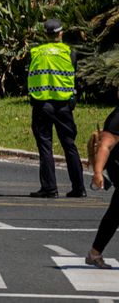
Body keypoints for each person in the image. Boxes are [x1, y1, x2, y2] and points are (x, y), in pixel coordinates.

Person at [29, 17, 85, 198]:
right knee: (69, 146)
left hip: (42, 104)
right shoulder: (70, 53)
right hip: (63, 106)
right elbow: (74, 76)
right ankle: (79, 188)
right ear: (61, 33)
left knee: (45, 146)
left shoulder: (36, 52)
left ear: (45, 34)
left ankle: (49, 188)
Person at [84, 99, 119, 268]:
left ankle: (94, 253)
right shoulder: (117, 119)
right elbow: (105, 146)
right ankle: (94, 253)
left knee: (116, 212)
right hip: (118, 166)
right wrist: (97, 172)